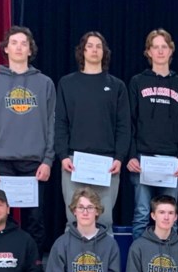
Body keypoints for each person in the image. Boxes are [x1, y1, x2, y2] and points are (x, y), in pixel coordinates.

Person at [0, 26, 56, 252]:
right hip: (2, 163)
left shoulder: (45, 83)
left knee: (35, 221)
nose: (19, 47)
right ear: (6, 49)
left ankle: (33, 267)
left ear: (30, 50)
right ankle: (4, 266)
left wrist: (48, 160)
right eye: (14, 43)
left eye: (24, 43)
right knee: (1, 219)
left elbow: (52, 125)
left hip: (35, 163)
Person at [55, 31, 131, 234]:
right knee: (74, 219)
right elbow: (60, 123)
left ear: (104, 52)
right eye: (90, 45)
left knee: (104, 220)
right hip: (74, 161)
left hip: (107, 163)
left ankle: (106, 266)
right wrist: (62, 156)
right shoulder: (67, 83)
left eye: (99, 46)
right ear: (82, 51)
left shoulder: (116, 86)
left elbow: (124, 126)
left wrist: (119, 158)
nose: (94, 50)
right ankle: (71, 266)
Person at [127, 29, 178, 240]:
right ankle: (138, 269)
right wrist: (131, 155)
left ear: (171, 50)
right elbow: (130, 122)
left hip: (171, 161)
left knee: (169, 218)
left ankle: (170, 265)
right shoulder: (137, 82)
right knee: (142, 214)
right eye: (156, 47)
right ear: (149, 52)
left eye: (164, 46)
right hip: (143, 160)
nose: (160, 51)